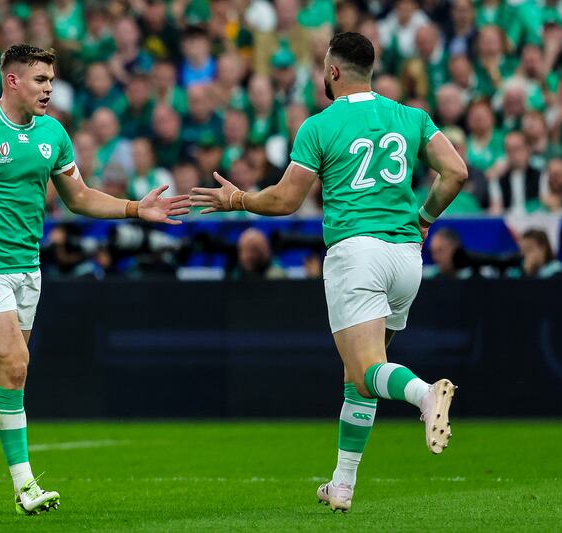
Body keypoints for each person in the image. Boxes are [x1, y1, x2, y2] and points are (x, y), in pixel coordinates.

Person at [0, 44, 189, 515]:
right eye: (40, 80)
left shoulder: (53, 134)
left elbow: (78, 197)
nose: (49, 89)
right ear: (12, 80)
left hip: (26, 270)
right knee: (16, 364)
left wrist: (137, 208)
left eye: (52, 81)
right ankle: (25, 487)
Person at [190, 32, 467, 512]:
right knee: (358, 375)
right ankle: (342, 484)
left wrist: (236, 199)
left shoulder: (319, 125)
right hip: (406, 259)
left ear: (333, 71)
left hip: (357, 254)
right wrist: (423, 219)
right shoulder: (412, 117)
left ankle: (425, 394)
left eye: (323, 67)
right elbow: (457, 172)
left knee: (367, 373)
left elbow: (284, 199)